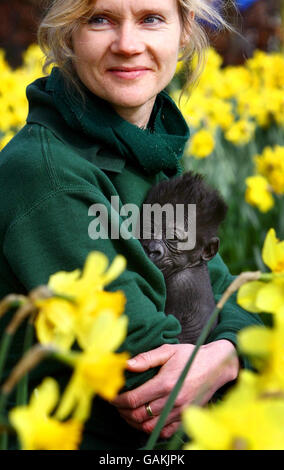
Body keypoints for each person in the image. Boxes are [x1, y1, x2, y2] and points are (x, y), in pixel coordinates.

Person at [0, 0, 263, 449]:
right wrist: (238, 355)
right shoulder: (45, 174)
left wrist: (228, 353)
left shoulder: (146, 153)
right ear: (68, 34)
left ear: (184, 31)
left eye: (151, 18)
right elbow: (153, 388)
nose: (127, 45)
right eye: (99, 19)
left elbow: (222, 295)